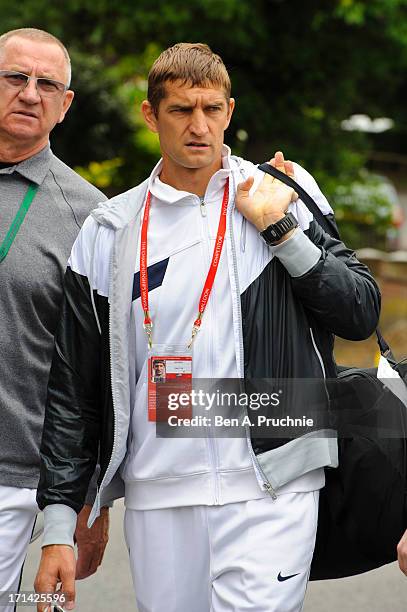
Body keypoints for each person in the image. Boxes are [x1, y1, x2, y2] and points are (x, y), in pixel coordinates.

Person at [34, 43, 383, 611]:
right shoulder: (109, 229)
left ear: (230, 111)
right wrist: (60, 520)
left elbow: (361, 312)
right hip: (159, 494)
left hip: (273, 487)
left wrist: (283, 231)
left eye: (212, 110)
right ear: (151, 115)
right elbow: (74, 386)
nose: (200, 126)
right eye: (181, 111)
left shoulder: (281, 193)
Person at [0, 27, 109, 611]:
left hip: (13, 480)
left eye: (48, 84)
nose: (29, 93)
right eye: (15, 77)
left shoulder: (90, 216)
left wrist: (85, 505)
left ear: (65, 105)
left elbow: (100, 370)